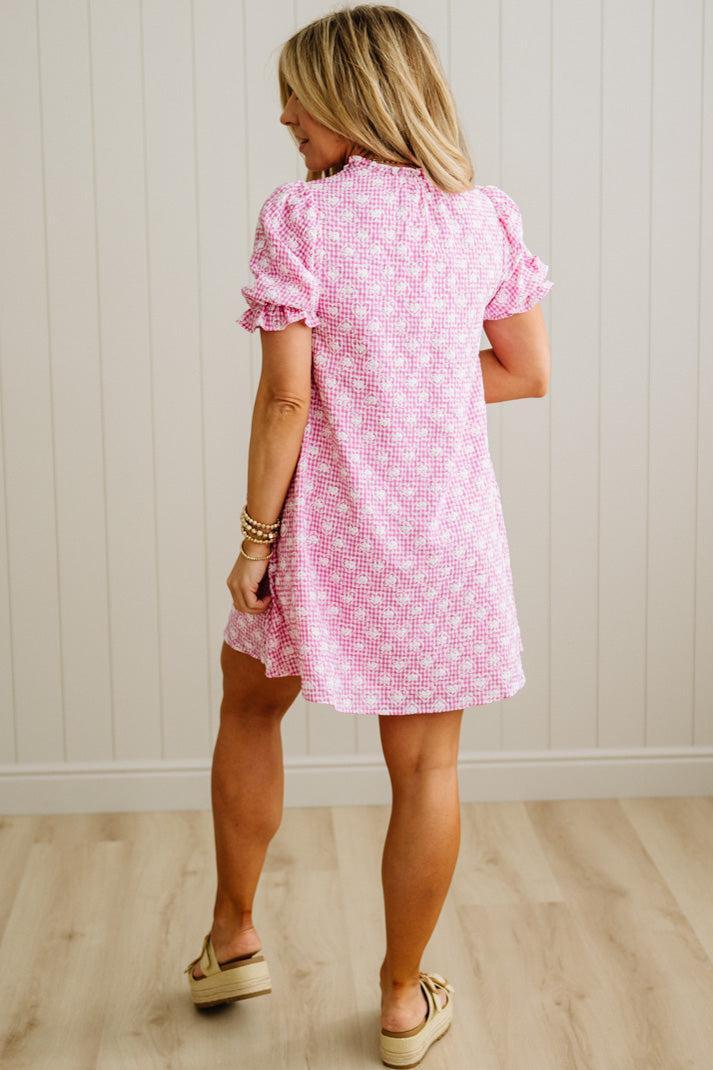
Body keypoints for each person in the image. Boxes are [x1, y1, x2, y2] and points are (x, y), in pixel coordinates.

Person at [183, 5, 553, 1067]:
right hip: (445, 539)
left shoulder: (301, 219)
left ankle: (233, 935)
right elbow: (523, 371)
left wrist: (255, 538)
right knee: (426, 765)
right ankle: (400, 1001)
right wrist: (415, 376)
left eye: (300, 96)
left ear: (353, 97)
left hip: (320, 537)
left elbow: (285, 404)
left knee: (248, 703)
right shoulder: (481, 214)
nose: (286, 115)